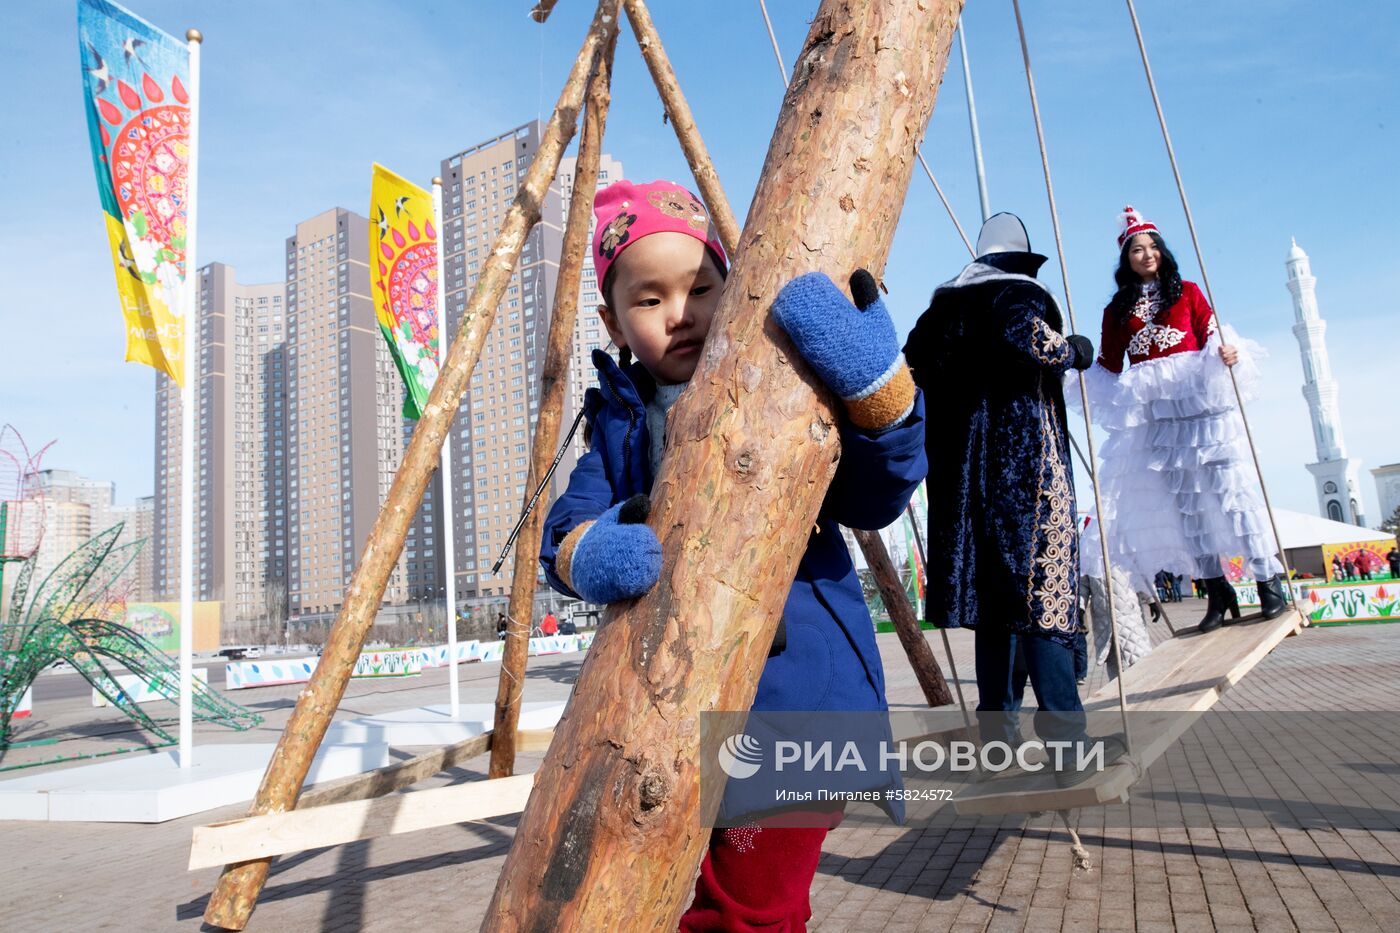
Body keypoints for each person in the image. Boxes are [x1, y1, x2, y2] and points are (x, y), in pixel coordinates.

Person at [538, 179, 927, 932]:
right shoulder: (620, 422)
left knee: (747, 911)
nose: (679, 313)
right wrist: (592, 549)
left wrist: (880, 397)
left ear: (735, 284)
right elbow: (567, 527)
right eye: (648, 300)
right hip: (673, 709)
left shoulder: (782, 385)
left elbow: (874, 495)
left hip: (800, 701)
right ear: (612, 322)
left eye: (701, 287)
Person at [904, 212, 1120, 775]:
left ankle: (996, 743)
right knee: (1045, 600)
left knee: (994, 609)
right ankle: (1069, 748)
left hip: (961, 485)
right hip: (1025, 475)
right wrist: (1074, 349)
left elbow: (910, 366)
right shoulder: (1019, 293)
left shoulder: (939, 311)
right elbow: (1031, 341)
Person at [1080, 206, 1286, 632]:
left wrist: (1229, 352)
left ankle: (1269, 583)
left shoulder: (1188, 291)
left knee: (1234, 496)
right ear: (1125, 259)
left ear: (1163, 251)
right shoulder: (1117, 310)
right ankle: (1217, 590)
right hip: (1160, 419)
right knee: (1188, 508)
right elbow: (1108, 365)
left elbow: (1212, 335)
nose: (1147, 254)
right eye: (1137, 249)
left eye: (1153, 246)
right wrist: (1073, 370)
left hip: (1204, 410)